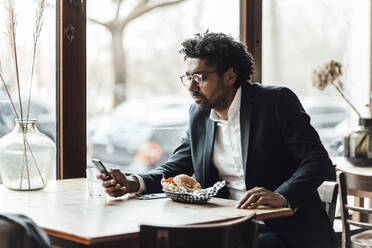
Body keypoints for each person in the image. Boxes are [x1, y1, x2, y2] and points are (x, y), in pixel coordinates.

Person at [99, 32, 338, 248]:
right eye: (188, 77)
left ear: (230, 75)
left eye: (200, 77)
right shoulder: (199, 115)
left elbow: (317, 161)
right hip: (225, 226)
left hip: (283, 231)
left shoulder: (275, 101)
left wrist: (282, 195)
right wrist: (133, 182)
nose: (191, 87)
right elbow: (177, 166)